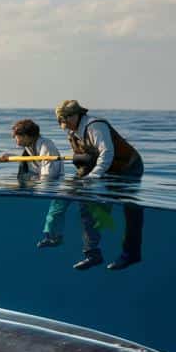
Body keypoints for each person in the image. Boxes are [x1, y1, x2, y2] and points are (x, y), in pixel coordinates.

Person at [56, 99, 145, 271]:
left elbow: (107, 152)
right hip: (106, 170)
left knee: (131, 209)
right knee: (84, 202)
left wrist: (94, 176)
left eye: (67, 117)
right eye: (60, 119)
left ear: (78, 114)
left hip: (128, 168)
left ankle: (131, 254)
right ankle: (92, 253)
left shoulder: (95, 126)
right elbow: (85, 160)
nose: (64, 122)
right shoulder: (73, 133)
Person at [0, 118, 78, 248]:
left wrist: (36, 187)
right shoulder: (30, 146)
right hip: (43, 182)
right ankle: (52, 236)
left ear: (26, 136)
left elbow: (49, 174)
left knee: (56, 212)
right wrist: (7, 157)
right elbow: (26, 159)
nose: (15, 140)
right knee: (54, 213)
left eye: (16, 137)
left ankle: (54, 237)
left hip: (57, 185)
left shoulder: (46, 145)